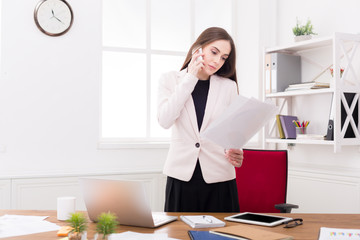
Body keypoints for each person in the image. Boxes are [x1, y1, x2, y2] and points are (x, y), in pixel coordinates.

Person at [157, 27, 244, 212]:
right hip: (181, 177)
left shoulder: (228, 87)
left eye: (223, 57)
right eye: (214, 52)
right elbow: (164, 120)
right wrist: (190, 78)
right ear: (198, 48)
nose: (217, 61)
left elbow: (233, 133)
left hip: (219, 178)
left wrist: (236, 151)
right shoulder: (171, 80)